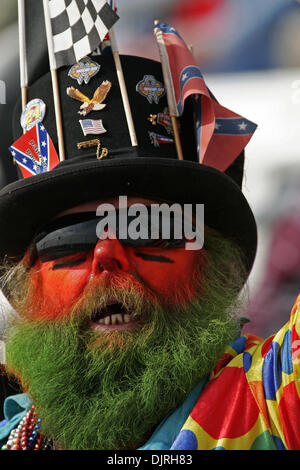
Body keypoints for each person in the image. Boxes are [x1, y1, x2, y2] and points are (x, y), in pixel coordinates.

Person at [0, 24, 299, 451]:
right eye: (69, 238)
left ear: (213, 264)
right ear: (25, 280)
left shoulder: (275, 400)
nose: (107, 253)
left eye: (150, 228)